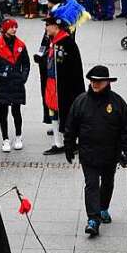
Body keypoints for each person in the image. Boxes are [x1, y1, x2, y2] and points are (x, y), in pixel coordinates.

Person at [63, 64, 127, 237]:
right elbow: (70, 125)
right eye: (92, 81)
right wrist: (69, 144)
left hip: (111, 154)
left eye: (99, 81)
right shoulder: (81, 101)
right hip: (88, 154)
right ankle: (93, 220)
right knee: (92, 184)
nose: (95, 84)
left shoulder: (117, 103)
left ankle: (103, 208)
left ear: (107, 82)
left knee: (108, 182)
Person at [41, 15, 85, 156]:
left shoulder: (67, 42)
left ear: (56, 26)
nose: (46, 28)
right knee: (53, 112)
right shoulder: (52, 40)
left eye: (48, 25)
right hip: (52, 83)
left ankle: (71, 143)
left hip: (65, 87)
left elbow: (73, 69)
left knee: (67, 114)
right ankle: (57, 143)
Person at [0, 19, 31, 152]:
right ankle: (5, 139)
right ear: (5, 29)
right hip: (3, 83)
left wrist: (23, 77)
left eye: (15, 27)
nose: (14, 29)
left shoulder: (20, 45)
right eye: (11, 27)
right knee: (3, 111)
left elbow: (26, 64)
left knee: (16, 111)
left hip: (17, 82)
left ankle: (18, 136)